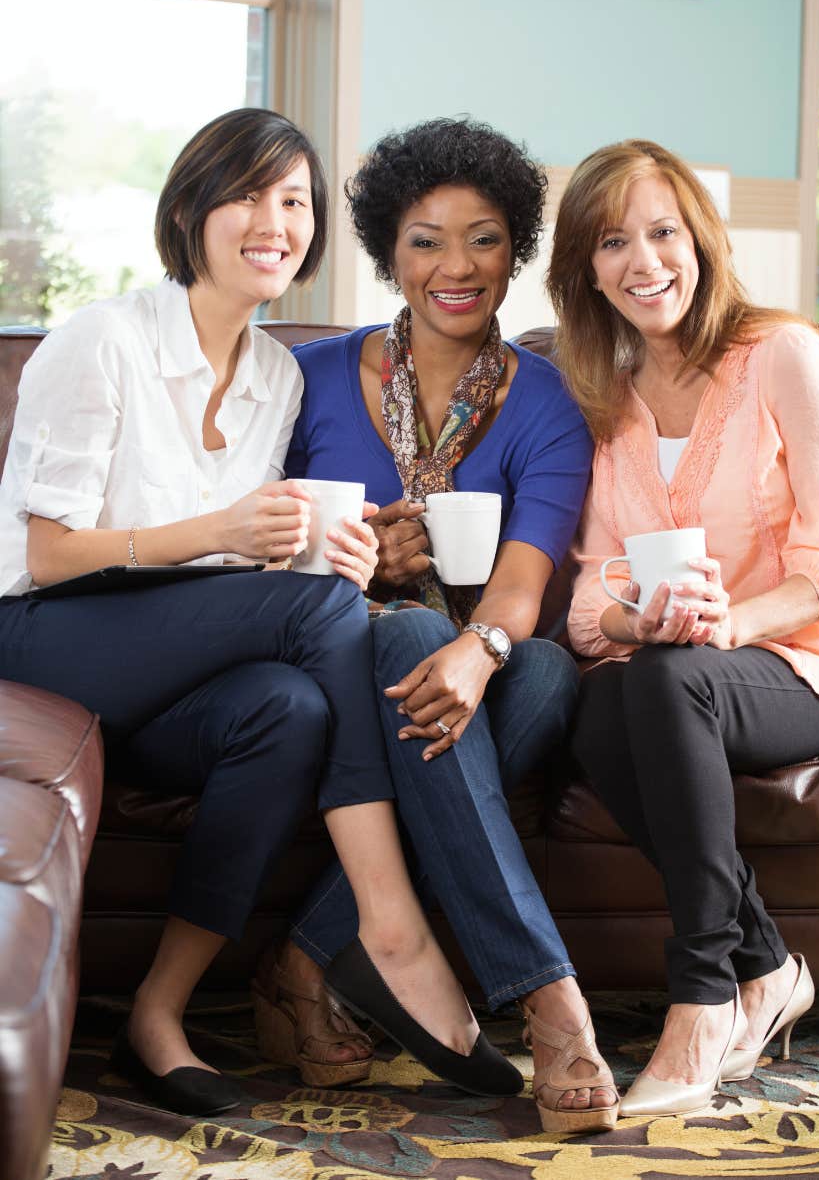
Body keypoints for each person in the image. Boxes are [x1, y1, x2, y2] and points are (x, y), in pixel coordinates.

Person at [0, 107, 520, 1117]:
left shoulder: (276, 375)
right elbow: (43, 553)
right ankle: (389, 925)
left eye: (294, 201)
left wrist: (339, 547)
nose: (273, 220)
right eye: (247, 193)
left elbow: (249, 556)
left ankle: (161, 1007)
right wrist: (218, 534)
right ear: (193, 206)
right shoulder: (102, 341)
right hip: (42, 638)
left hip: (168, 654)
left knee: (291, 706)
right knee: (317, 617)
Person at [253, 117, 622, 1133]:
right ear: (386, 251)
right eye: (425, 238)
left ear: (516, 252)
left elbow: (525, 573)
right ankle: (552, 1001)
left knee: (542, 671)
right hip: (330, 659)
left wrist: (484, 644)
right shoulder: (310, 377)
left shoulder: (548, 401)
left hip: (479, 671)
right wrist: (365, 562)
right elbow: (256, 548)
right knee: (409, 636)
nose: (456, 266)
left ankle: (304, 952)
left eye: (484, 237)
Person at [546, 137, 819, 1117]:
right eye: (610, 242)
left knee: (666, 677)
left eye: (662, 231)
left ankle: (702, 989)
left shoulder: (783, 354)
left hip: (808, 658)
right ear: (583, 269)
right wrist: (636, 614)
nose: (643, 261)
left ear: (700, 239)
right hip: (684, 668)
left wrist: (732, 621)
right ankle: (766, 966)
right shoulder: (604, 393)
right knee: (605, 705)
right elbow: (594, 597)